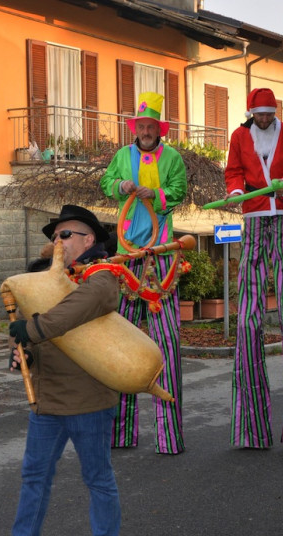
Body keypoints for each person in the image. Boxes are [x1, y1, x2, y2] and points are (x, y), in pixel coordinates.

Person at [0, 205, 120, 536]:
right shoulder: (44, 276)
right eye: (54, 236)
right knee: (34, 476)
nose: (56, 242)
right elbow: (21, 320)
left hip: (89, 397)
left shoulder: (102, 276)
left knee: (98, 479)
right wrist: (20, 351)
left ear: (89, 240)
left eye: (65, 235)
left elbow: (70, 313)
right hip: (45, 398)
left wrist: (32, 329)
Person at [100, 91, 187, 455]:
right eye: (142, 125)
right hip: (126, 255)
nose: (147, 130)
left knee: (166, 342)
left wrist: (159, 195)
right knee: (123, 342)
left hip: (162, 255)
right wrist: (119, 186)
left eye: (152, 125)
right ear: (136, 128)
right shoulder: (122, 156)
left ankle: (170, 438)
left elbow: (180, 192)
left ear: (158, 128)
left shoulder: (173, 158)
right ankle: (121, 433)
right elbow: (106, 185)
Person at [224, 88, 283, 448]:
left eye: (268, 113)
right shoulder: (239, 135)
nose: (263, 118)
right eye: (259, 114)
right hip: (255, 215)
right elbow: (233, 171)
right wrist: (233, 191)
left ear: (273, 111)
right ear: (251, 113)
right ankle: (252, 430)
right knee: (247, 323)